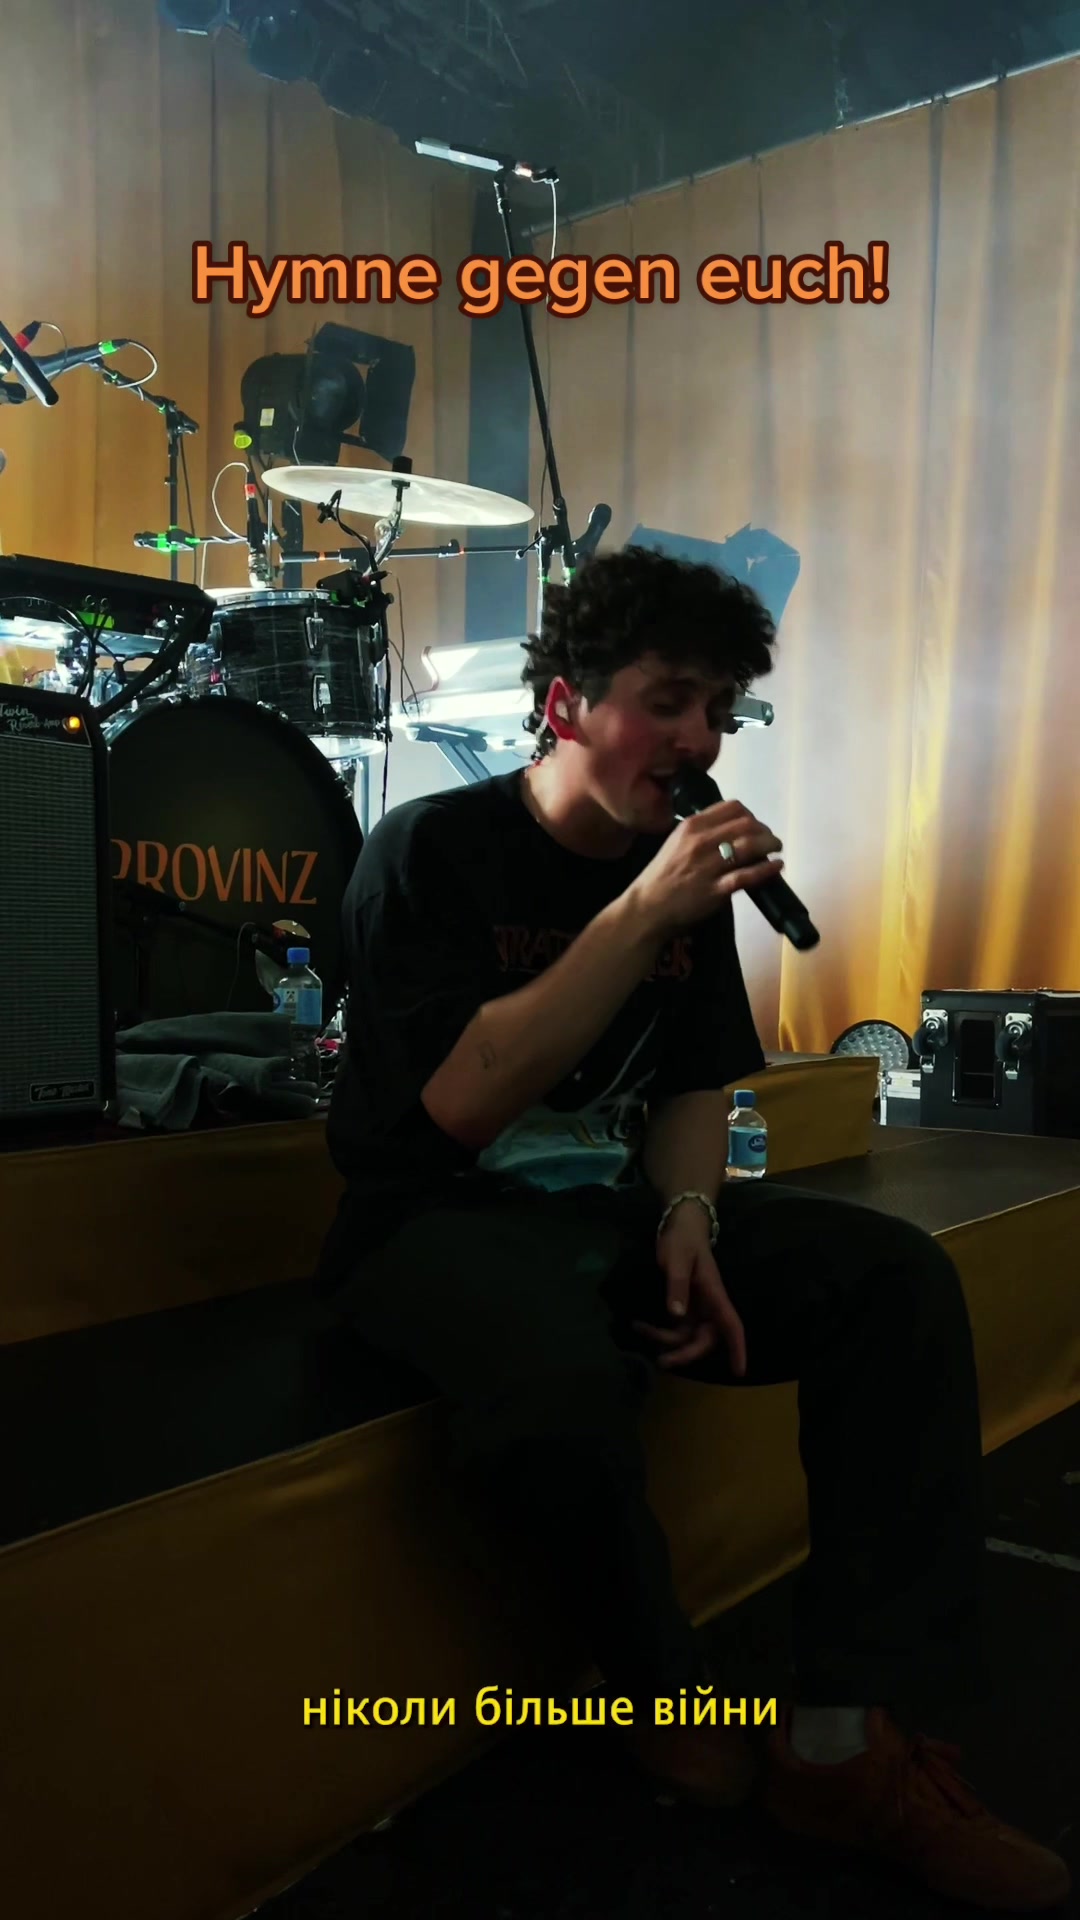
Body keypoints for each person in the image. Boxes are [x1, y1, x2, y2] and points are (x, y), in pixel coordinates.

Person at [316, 547, 1070, 1912]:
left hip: (611, 1206)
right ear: (565, 705)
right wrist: (639, 911)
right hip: (437, 1213)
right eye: (668, 700)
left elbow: (694, 1084)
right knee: (556, 1380)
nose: (701, 740)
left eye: (719, 708)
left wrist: (685, 1211)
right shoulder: (431, 849)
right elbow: (457, 1109)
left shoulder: (678, 887)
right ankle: (659, 1697)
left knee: (891, 1281)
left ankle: (844, 1745)